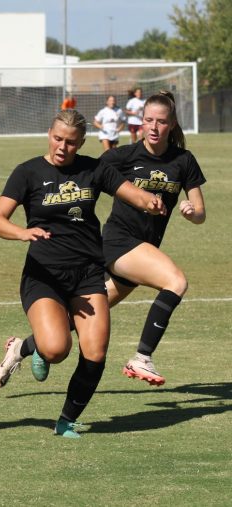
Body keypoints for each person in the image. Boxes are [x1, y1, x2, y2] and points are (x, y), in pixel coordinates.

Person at [0, 109, 165, 438]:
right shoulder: (27, 172)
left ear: (81, 143)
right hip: (44, 276)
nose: (62, 147)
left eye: (70, 143)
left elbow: (129, 192)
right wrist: (22, 233)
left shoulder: (94, 168)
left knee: (95, 351)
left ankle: (67, 420)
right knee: (57, 349)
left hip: (86, 275)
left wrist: (149, 201)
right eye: (57, 139)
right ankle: (30, 347)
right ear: (49, 134)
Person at [101, 91, 207, 386]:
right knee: (176, 281)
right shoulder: (123, 156)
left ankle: (25, 347)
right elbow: (89, 179)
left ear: (171, 124)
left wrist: (190, 211)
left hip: (144, 250)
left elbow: (200, 213)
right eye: (148, 120)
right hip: (119, 241)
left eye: (161, 121)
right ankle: (142, 357)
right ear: (141, 121)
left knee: (89, 308)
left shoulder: (184, 161)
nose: (154, 127)